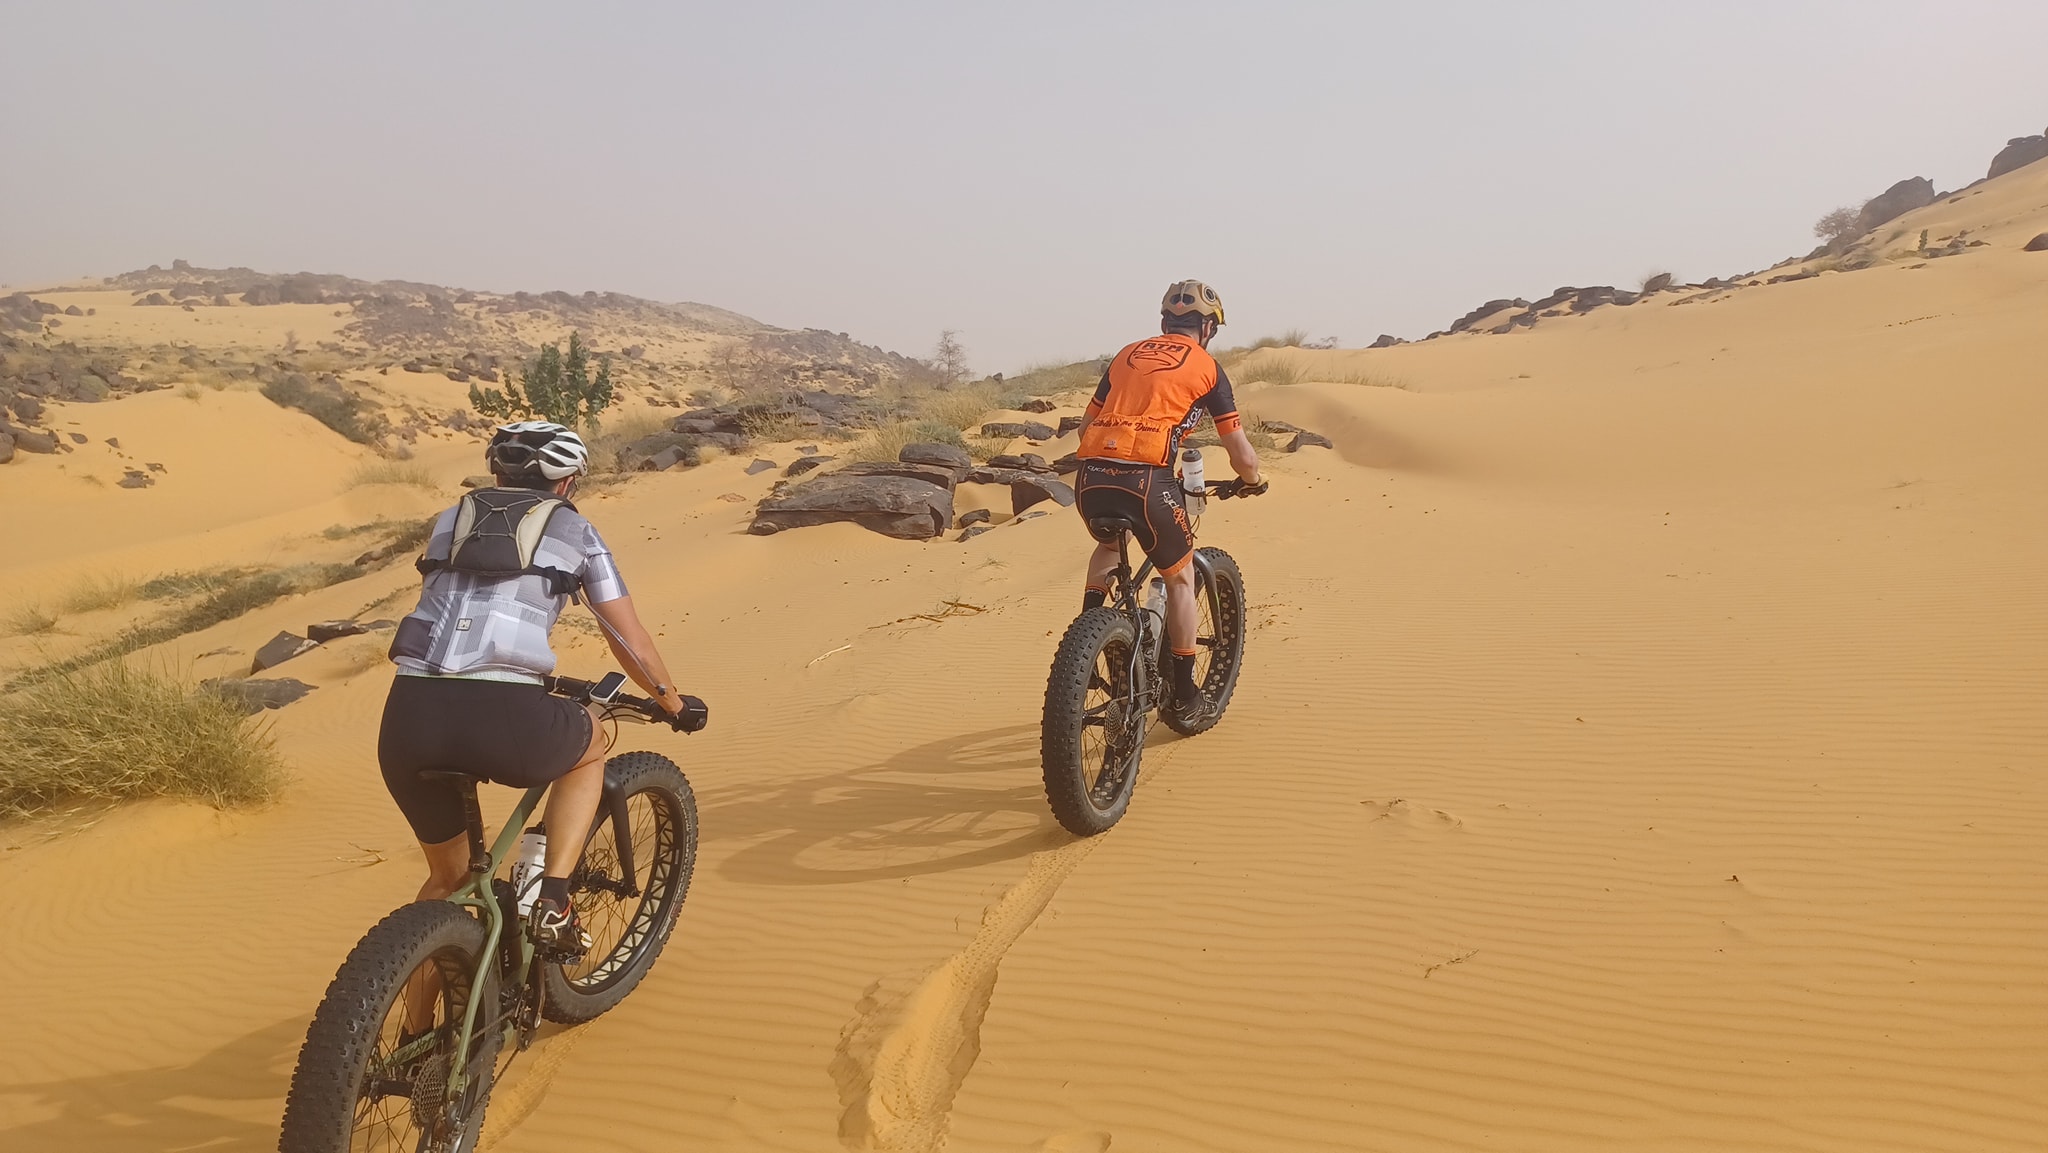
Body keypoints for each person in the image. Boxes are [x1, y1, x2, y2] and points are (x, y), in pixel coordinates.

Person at [378, 420, 685, 960]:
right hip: (504, 715)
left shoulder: (450, 520)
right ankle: (554, 899)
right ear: (566, 482)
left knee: (446, 881)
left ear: (498, 473)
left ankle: (411, 1010)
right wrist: (674, 703)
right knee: (590, 742)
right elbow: (627, 637)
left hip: (409, 716)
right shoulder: (578, 531)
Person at [1072, 279, 1267, 727]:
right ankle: (1183, 692)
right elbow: (1241, 454)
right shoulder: (1208, 368)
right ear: (1208, 329)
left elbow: (1085, 428)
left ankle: (1086, 640)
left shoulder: (1126, 355)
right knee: (1179, 579)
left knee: (1109, 545)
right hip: (1148, 483)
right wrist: (1252, 481)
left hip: (1091, 478)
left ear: (1164, 323)